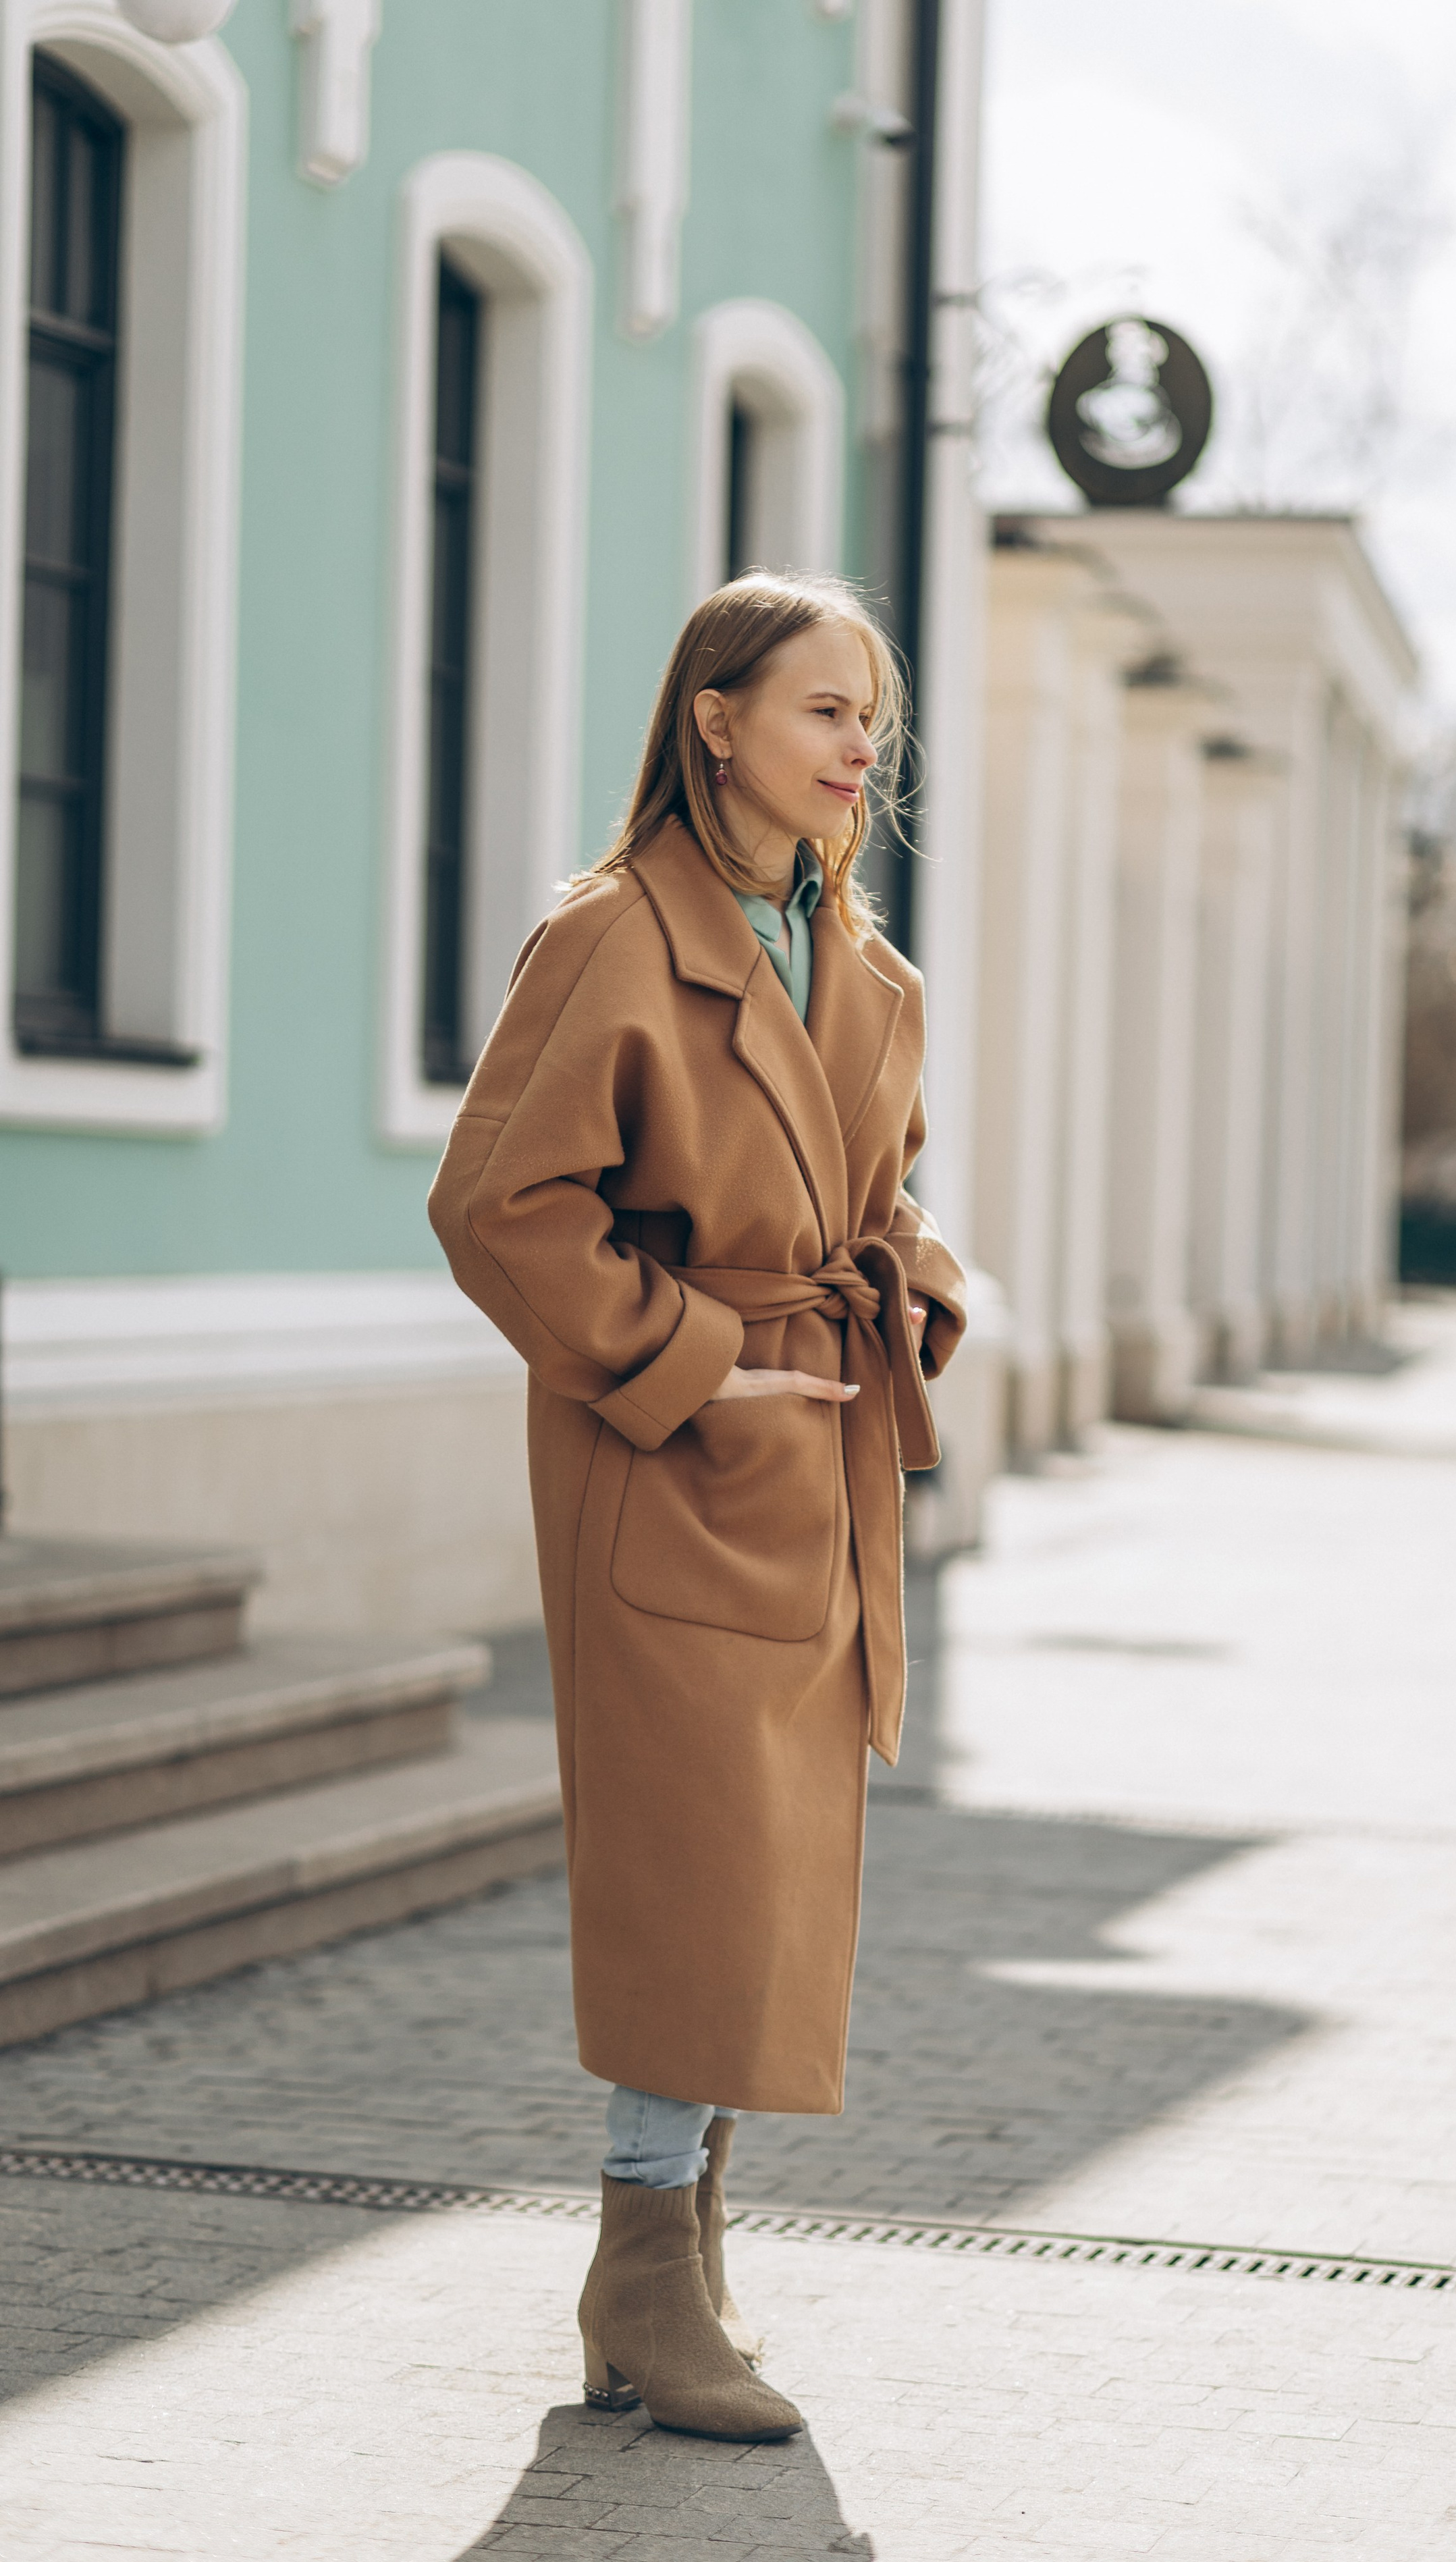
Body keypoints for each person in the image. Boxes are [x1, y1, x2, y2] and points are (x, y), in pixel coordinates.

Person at [429, 572, 967, 2442]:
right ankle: (646, 2268)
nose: (860, 750)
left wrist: (922, 1282)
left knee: (776, 1878)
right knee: (697, 1870)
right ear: (715, 720)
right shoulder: (611, 939)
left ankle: (684, 2263)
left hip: (813, 1469)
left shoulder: (870, 972)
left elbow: (875, 1199)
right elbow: (500, 1206)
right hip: (668, 1455)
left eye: (872, 721)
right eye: (824, 710)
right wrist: (692, 1363)